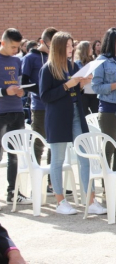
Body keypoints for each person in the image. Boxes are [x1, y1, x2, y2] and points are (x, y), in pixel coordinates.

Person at [39, 32, 105, 215]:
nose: (71, 49)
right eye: (68, 46)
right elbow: (45, 96)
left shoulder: (73, 65)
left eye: (71, 46)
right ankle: (60, 201)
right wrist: (68, 85)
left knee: (84, 157)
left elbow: (76, 91)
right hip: (58, 117)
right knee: (57, 159)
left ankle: (90, 200)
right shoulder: (48, 68)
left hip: (76, 112)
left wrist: (82, 84)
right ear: (59, 47)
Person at [91, 28, 116, 203]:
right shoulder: (101, 61)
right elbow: (96, 87)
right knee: (108, 148)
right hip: (107, 109)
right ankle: (106, 189)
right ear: (110, 42)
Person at [21, 27, 58, 194]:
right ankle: (35, 182)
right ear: (43, 42)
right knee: (38, 144)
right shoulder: (30, 58)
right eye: (51, 45)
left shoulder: (55, 57)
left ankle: (52, 182)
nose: (54, 48)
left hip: (55, 105)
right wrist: (42, 90)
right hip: (39, 105)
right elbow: (24, 81)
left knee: (53, 144)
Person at [0, 29, 31, 206]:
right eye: (12, 47)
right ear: (2, 43)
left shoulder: (17, 60)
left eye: (18, 47)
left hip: (17, 110)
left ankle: (14, 192)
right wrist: (5, 91)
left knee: (15, 154)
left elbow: (20, 82)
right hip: (1, 113)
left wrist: (21, 91)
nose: (15, 50)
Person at [74, 41, 99, 114]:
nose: (92, 50)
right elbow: (82, 76)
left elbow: (95, 75)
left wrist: (89, 77)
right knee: (84, 115)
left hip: (94, 92)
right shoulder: (78, 63)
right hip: (83, 93)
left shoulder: (94, 61)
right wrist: (90, 76)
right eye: (90, 48)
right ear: (84, 50)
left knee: (96, 114)